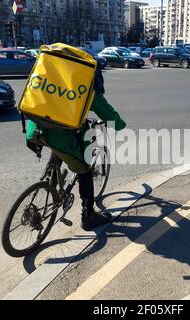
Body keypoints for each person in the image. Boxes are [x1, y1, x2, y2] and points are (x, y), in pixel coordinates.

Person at [25, 66, 126, 231]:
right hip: (59, 136)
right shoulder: (86, 86)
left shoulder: (57, 77)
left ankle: (54, 184)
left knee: (58, 149)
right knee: (84, 171)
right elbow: (108, 113)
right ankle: (88, 216)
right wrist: (120, 125)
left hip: (35, 126)